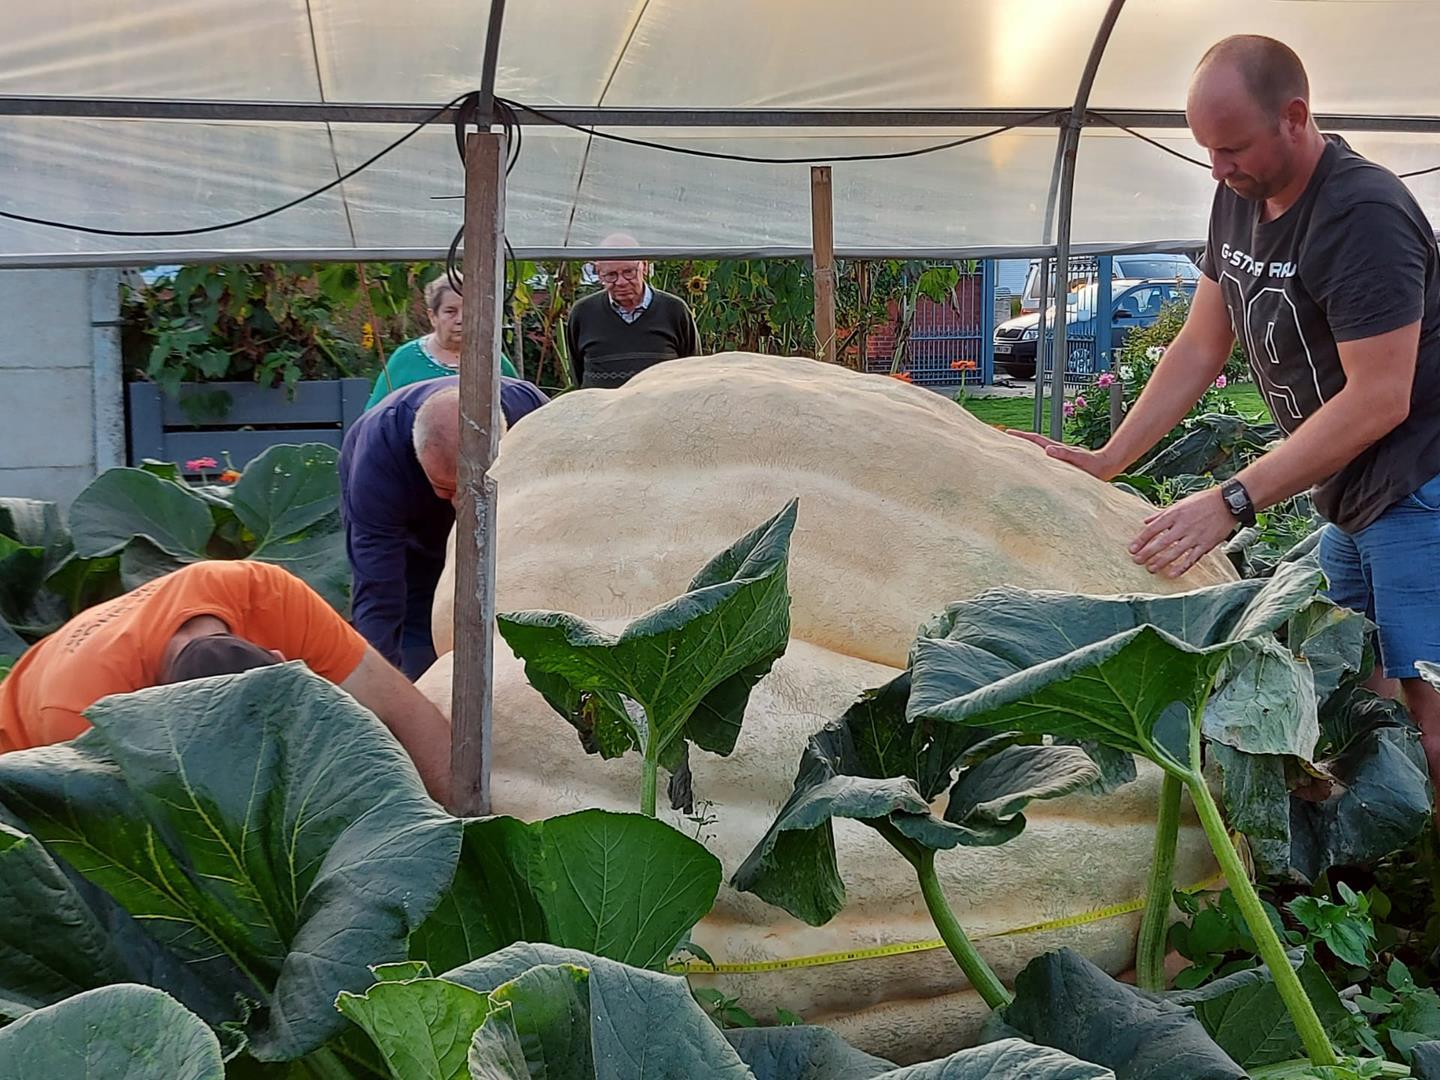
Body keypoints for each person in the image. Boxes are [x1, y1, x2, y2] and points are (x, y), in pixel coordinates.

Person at [1011, 35, 1440, 792]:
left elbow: (1380, 396)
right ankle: (1386, 855)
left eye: (1233, 147)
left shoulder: (1362, 214)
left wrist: (1232, 500)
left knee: (1428, 709)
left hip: (1421, 482)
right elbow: (1202, 343)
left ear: (1295, 117)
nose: (1218, 168)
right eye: (1207, 150)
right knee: (1354, 700)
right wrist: (1110, 458)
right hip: (1353, 494)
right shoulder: (1237, 198)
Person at [0, 561, 454, 804]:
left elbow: (407, 715)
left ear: (282, 661)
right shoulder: (81, 717)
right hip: (19, 773)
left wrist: (468, 832)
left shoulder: (268, 595)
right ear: (168, 723)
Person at [341, 374, 547, 679]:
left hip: (509, 533)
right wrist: (378, 689)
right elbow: (378, 592)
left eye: (473, 488)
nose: (459, 505)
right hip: (414, 552)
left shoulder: (530, 414)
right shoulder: (378, 458)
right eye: (446, 488)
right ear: (416, 453)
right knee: (418, 650)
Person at [565, 233, 701, 388]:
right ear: (599, 273)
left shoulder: (674, 311)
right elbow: (577, 374)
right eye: (611, 275)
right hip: (602, 404)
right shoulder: (583, 313)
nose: (621, 282)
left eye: (629, 272)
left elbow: (694, 371)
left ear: (644, 266)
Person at [364, 276, 518, 411]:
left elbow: (522, 412)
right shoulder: (405, 359)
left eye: (469, 310)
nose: (460, 319)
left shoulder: (493, 359)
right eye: (450, 311)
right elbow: (374, 418)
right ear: (433, 316)